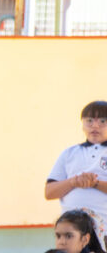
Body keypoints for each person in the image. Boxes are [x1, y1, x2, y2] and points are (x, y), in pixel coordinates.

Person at [45, 101, 107, 242]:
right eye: (89, 121)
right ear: (82, 125)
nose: (95, 126)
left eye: (103, 121)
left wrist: (94, 183)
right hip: (71, 232)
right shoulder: (69, 153)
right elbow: (49, 192)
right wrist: (74, 181)